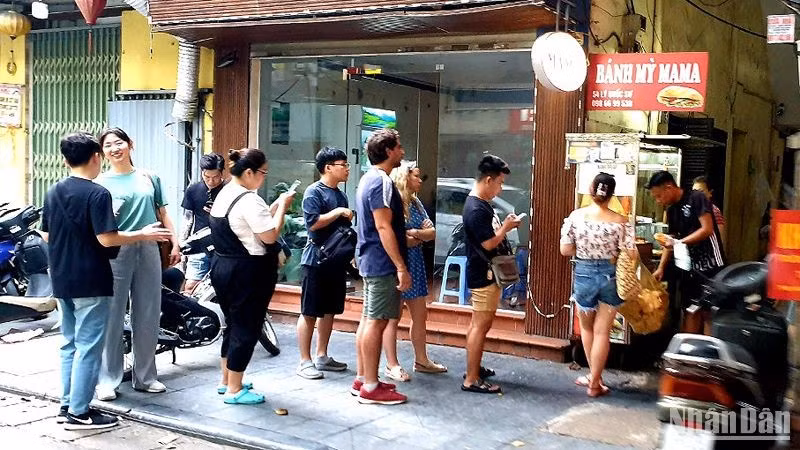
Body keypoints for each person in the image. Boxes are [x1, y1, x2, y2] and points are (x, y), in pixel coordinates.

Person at [41, 132, 172, 429]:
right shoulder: (97, 192)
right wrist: (142, 234)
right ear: (97, 157)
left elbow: (47, 234)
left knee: (69, 344)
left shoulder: (54, 190)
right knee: (89, 344)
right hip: (91, 276)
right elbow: (107, 238)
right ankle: (79, 411)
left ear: (64, 160)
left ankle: (67, 405)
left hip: (62, 277)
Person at [95, 127, 181, 401]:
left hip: (148, 247)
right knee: (112, 315)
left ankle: (146, 377)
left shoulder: (149, 177)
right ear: (102, 152)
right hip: (115, 249)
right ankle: (108, 379)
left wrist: (175, 241)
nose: (114, 148)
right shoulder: (99, 182)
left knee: (148, 312)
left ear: (130, 144)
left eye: (118, 142)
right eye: (108, 145)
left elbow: (162, 213)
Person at [210, 148, 294, 405]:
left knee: (233, 325)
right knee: (246, 327)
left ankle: (227, 381)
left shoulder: (226, 193)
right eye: (263, 173)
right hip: (248, 271)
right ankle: (235, 390)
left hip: (223, 266)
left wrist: (275, 205)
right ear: (249, 172)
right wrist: (283, 208)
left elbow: (249, 225)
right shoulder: (248, 199)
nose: (263, 178)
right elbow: (268, 235)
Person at [560, 173, 636, 398]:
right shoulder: (621, 221)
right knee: (603, 331)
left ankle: (595, 377)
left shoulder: (576, 216)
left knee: (587, 329)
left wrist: (584, 251)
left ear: (591, 190)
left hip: (583, 273)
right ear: (611, 194)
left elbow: (565, 250)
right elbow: (631, 253)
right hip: (610, 276)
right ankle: (595, 382)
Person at [352, 128, 410, 405]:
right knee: (377, 321)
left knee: (368, 319)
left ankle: (364, 379)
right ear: (388, 151)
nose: (402, 151)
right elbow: (383, 225)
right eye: (398, 147)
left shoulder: (367, 179)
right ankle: (371, 387)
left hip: (370, 259)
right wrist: (400, 266)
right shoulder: (382, 182)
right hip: (381, 262)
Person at [381, 160, 447, 382]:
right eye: (416, 176)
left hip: (416, 263)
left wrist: (415, 234)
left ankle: (422, 359)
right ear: (404, 177)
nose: (420, 180)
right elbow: (401, 239)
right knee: (393, 316)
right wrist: (419, 235)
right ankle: (392, 364)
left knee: (420, 315)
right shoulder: (395, 202)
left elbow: (432, 233)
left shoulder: (416, 202)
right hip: (399, 263)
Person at [461, 155, 521, 394]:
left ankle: (474, 368)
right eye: (499, 183)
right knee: (480, 325)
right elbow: (487, 244)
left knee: (479, 325)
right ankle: (472, 378)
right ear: (488, 180)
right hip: (483, 273)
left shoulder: (482, 204)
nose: (501, 188)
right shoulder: (476, 208)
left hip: (486, 272)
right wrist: (506, 228)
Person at [295, 147, 353, 380]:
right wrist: (338, 212)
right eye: (343, 164)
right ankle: (304, 360)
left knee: (329, 310)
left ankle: (322, 355)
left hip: (335, 260)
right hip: (315, 259)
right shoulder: (313, 192)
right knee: (309, 311)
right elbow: (312, 223)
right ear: (328, 167)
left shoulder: (340, 194)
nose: (347, 168)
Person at [648, 171, 725, 334]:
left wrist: (679, 242)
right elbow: (671, 240)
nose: (658, 201)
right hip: (689, 267)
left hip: (711, 264)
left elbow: (707, 229)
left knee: (708, 312)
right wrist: (661, 267)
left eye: (659, 196)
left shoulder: (696, 198)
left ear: (669, 187)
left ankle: (708, 354)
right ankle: (688, 356)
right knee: (690, 309)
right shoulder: (672, 211)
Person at [181, 153, 226, 293]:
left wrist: (218, 213)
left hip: (223, 247)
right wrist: (182, 245)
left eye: (215, 177)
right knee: (191, 286)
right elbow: (187, 219)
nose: (211, 181)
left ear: (222, 173)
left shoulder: (229, 190)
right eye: (207, 177)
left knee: (220, 288)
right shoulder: (193, 190)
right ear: (202, 172)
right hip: (199, 246)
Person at [692, 176, 726, 248]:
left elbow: (720, 237)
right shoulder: (691, 210)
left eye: (700, 192)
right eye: (694, 192)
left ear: (710, 193)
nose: (696, 195)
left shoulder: (714, 211)